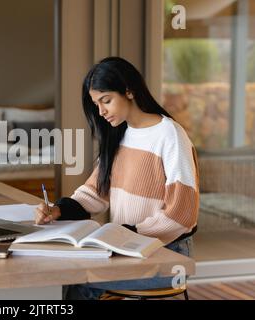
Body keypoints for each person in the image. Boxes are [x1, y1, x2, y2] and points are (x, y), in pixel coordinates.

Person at [34, 57, 199, 300]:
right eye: (96, 104)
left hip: (168, 256)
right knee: (66, 278)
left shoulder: (170, 135)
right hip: (127, 249)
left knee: (80, 283)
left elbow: (181, 215)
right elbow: (95, 193)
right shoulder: (120, 133)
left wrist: (126, 233)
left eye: (106, 101)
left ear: (129, 91)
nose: (100, 112)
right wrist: (57, 209)